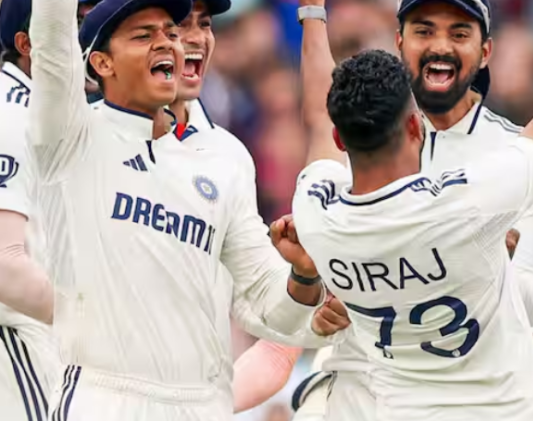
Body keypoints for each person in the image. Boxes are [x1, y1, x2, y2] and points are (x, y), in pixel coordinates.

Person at [291, 0, 533, 414]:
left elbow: (319, 119)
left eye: (458, 32)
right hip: (402, 398)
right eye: (424, 30)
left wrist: (312, 13)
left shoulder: (320, 198)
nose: (440, 45)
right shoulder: (487, 188)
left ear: (486, 50)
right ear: (399, 43)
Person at [28, 0, 334, 419]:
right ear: (101, 62)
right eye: (144, 35)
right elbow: (51, 38)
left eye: (170, 33)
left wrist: (303, 274)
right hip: (103, 398)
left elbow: (264, 297)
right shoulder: (71, 136)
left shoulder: (226, 157)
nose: (169, 43)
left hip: (202, 404)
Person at [0, 1, 59, 420]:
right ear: (27, 45)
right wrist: (107, 322)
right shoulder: (13, 116)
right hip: (16, 341)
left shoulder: (41, 113)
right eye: (74, 25)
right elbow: (4, 264)